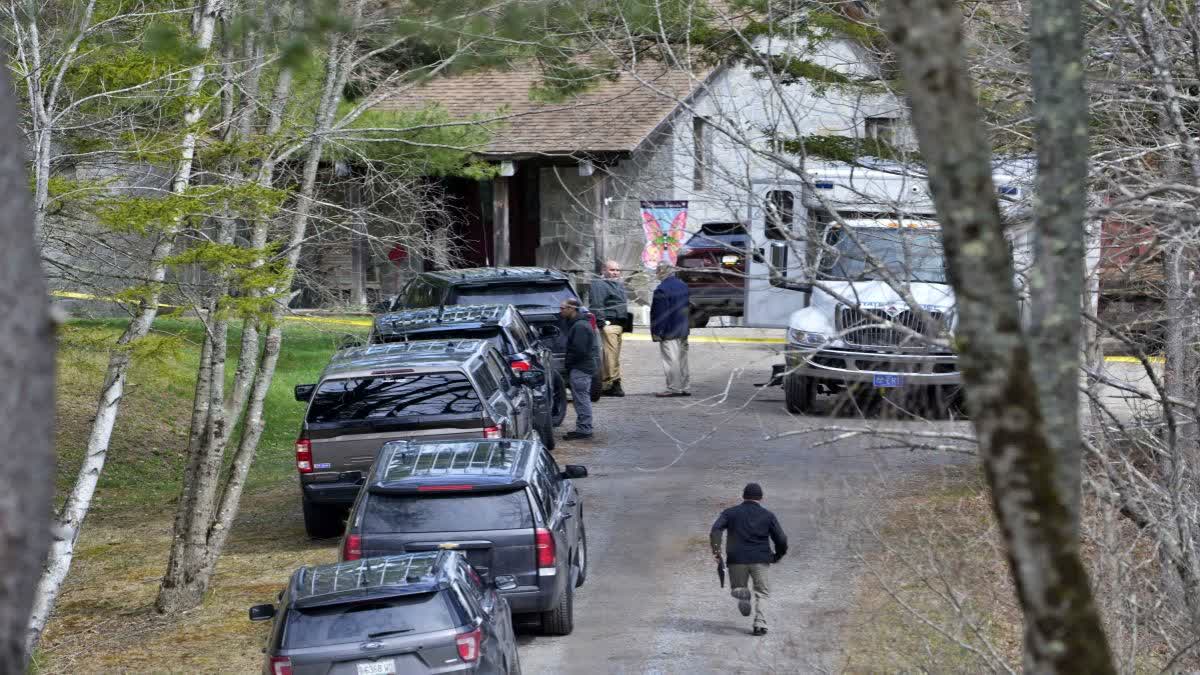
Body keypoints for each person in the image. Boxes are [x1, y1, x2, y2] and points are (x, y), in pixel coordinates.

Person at [710, 482, 788, 636]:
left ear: (743, 496)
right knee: (762, 592)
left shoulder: (730, 513)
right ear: (761, 498)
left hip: (736, 559)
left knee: (739, 588)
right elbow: (781, 539)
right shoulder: (768, 515)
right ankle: (759, 624)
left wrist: (717, 550)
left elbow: (716, 529)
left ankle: (742, 595)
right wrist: (777, 555)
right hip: (760, 558)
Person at [650, 262, 690, 397]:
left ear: (662, 272)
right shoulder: (683, 286)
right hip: (683, 328)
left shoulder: (662, 289)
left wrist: (657, 332)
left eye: (657, 271)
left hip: (668, 330)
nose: (656, 274)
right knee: (682, 359)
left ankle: (674, 388)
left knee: (671, 360)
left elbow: (660, 314)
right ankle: (685, 386)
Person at [590, 260, 628, 397]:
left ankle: (609, 383)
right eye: (612, 270)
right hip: (609, 324)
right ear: (603, 270)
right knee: (610, 356)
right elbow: (597, 304)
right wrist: (602, 323)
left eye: (618, 270)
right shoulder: (599, 284)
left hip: (618, 324)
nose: (616, 273)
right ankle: (614, 384)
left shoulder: (618, 284)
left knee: (614, 356)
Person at [559, 298, 596, 440]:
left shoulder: (580, 326)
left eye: (563, 308)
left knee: (581, 399)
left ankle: (584, 429)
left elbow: (580, 351)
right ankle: (583, 427)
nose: (560, 311)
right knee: (580, 398)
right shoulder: (578, 324)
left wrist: (569, 363)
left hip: (581, 368)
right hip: (581, 367)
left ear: (572, 309)